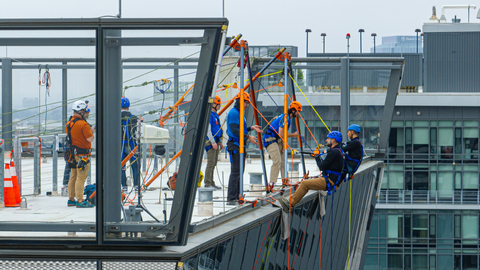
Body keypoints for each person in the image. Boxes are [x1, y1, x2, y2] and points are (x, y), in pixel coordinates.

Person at [278, 131, 344, 212]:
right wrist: (318, 156)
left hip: (330, 181)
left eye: (328, 139)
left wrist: (316, 157)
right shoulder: (338, 151)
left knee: (304, 184)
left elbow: (321, 166)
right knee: (305, 183)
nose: (326, 140)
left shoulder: (334, 152)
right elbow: (327, 165)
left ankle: (290, 204)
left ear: (333, 140)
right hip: (332, 180)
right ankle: (291, 202)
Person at [226, 92, 262, 204]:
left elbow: (240, 128)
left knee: (239, 171)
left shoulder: (239, 113)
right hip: (235, 146)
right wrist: (248, 136)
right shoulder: (233, 113)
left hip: (240, 145)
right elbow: (235, 129)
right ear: (240, 101)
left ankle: (237, 196)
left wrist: (251, 128)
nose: (247, 105)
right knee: (236, 171)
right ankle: (232, 198)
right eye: (246, 102)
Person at [263, 101, 302, 184]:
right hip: (270, 139)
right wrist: (294, 135)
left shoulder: (286, 118)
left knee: (283, 160)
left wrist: (283, 145)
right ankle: (272, 183)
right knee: (277, 161)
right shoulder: (285, 118)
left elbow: (281, 135)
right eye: (298, 111)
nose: (298, 114)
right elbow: (281, 134)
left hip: (277, 140)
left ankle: (285, 180)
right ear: (293, 111)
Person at [65, 100, 95, 208]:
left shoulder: (69, 123)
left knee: (73, 176)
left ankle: (71, 199)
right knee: (81, 178)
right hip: (83, 155)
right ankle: (80, 200)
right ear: (81, 111)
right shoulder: (83, 125)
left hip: (72, 154)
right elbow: (90, 138)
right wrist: (91, 130)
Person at [121, 97, 142, 191]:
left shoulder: (114, 117)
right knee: (135, 165)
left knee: (121, 166)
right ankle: (137, 186)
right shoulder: (134, 118)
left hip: (120, 146)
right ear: (128, 106)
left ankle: (124, 186)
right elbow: (139, 131)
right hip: (132, 145)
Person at [204, 95, 223, 190]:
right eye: (218, 104)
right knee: (211, 163)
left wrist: (220, 142)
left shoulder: (216, 115)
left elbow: (218, 128)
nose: (220, 106)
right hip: (211, 142)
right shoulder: (209, 115)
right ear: (214, 104)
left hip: (216, 141)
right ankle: (207, 183)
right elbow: (208, 129)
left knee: (214, 162)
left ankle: (211, 181)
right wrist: (212, 142)